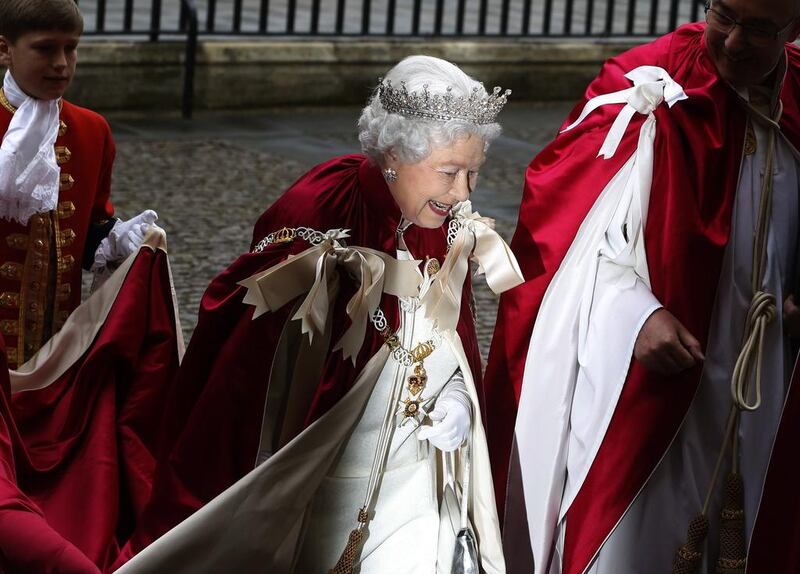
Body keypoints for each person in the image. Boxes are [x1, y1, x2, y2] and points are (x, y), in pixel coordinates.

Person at [113, 55, 522, 574]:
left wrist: (459, 399)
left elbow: (451, 336)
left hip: (417, 478)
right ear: (393, 154)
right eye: (448, 172)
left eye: (473, 173)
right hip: (323, 477)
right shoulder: (321, 208)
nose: (463, 192)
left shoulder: (444, 219)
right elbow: (252, 369)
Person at [484, 2, 800, 573]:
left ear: (794, 30)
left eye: (758, 29)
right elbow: (566, 234)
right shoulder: (647, 86)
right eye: (724, 15)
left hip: (767, 371)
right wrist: (633, 313)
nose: (732, 43)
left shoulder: (797, 100)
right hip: (658, 379)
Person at [0, 0, 157, 369]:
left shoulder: (93, 130)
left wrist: (120, 242)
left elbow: (88, 232)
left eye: (71, 48)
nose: (61, 63)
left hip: (57, 352)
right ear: (5, 49)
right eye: (45, 48)